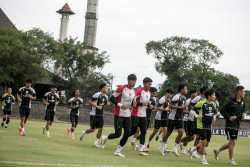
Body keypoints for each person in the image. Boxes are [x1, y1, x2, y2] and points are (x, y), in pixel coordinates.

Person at [101, 74, 137, 157]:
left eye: (135, 81)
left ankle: (118, 151)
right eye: (132, 81)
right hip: (119, 114)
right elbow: (112, 98)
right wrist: (120, 105)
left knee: (127, 133)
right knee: (118, 134)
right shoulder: (121, 88)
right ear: (128, 81)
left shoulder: (134, 91)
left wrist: (134, 105)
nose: (133, 83)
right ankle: (105, 138)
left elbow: (133, 103)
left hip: (128, 115)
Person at [213, 86, 246, 166]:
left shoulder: (242, 102)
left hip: (237, 124)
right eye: (243, 92)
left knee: (231, 143)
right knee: (233, 142)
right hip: (229, 125)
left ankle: (217, 150)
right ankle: (231, 160)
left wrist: (242, 115)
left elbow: (241, 112)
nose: (244, 93)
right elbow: (222, 111)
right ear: (238, 92)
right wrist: (229, 117)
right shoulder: (230, 101)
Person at [188, 88, 217, 165]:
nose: (215, 96)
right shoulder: (202, 103)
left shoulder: (214, 104)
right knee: (203, 143)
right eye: (213, 95)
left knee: (206, 144)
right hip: (201, 125)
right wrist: (197, 116)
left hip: (209, 126)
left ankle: (192, 149)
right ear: (209, 96)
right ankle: (202, 160)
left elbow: (214, 113)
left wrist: (214, 118)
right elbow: (192, 110)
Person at [160, 84, 188, 156]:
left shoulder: (184, 98)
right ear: (181, 90)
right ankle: (162, 146)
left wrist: (185, 109)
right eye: (185, 89)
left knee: (181, 133)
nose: (186, 90)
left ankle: (175, 148)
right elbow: (170, 106)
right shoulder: (176, 97)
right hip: (172, 118)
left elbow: (182, 108)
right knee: (168, 133)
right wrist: (179, 107)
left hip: (180, 118)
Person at [80, 83, 110, 147]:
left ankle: (95, 143)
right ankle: (84, 132)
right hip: (94, 114)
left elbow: (103, 106)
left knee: (101, 129)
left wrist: (106, 105)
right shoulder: (97, 94)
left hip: (100, 115)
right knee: (92, 130)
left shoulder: (106, 97)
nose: (107, 89)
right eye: (106, 88)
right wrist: (96, 106)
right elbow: (90, 101)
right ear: (102, 88)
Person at [146, 88, 174, 153]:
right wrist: (165, 109)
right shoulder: (162, 99)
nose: (171, 95)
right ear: (167, 93)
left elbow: (167, 108)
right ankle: (147, 144)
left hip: (165, 117)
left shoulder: (168, 99)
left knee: (166, 132)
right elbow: (157, 108)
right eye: (170, 94)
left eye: (172, 94)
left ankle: (164, 147)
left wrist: (169, 110)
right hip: (159, 117)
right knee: (155, 132)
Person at [130, 77, 153, 156]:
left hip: (143, 115)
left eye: (151, 84)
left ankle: (141, 149)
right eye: (148, 84)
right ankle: (123, 138)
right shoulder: (139, 91)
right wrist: (141, 104)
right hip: (136, 114)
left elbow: (147, 102)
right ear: (144, 83)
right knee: (132, 131)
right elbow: (133, 102)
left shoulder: (149, 93)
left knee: (144, 131)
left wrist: (149, 105)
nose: (150, 85)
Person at [190, 86, 208, 156]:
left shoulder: (206, 99)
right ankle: (194, 151)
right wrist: (196, 111)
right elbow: (190, 105)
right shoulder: (198, 98)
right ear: (204, 91)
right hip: (196, 119)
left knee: (199, 137)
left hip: (203, 120)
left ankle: (194, 150)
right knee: (196, 136)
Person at [179, 89, 198, 155]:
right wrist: (189, 112)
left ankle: (181, 144)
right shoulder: (187, 101)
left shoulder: (197, 101)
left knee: (192, 137)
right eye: (195, 93)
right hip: (187, 120)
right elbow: (183, 111)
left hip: (194, 120)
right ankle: (182, 147)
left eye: (197, 93)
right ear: (191, 94)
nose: (196, 94)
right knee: (189, 136)